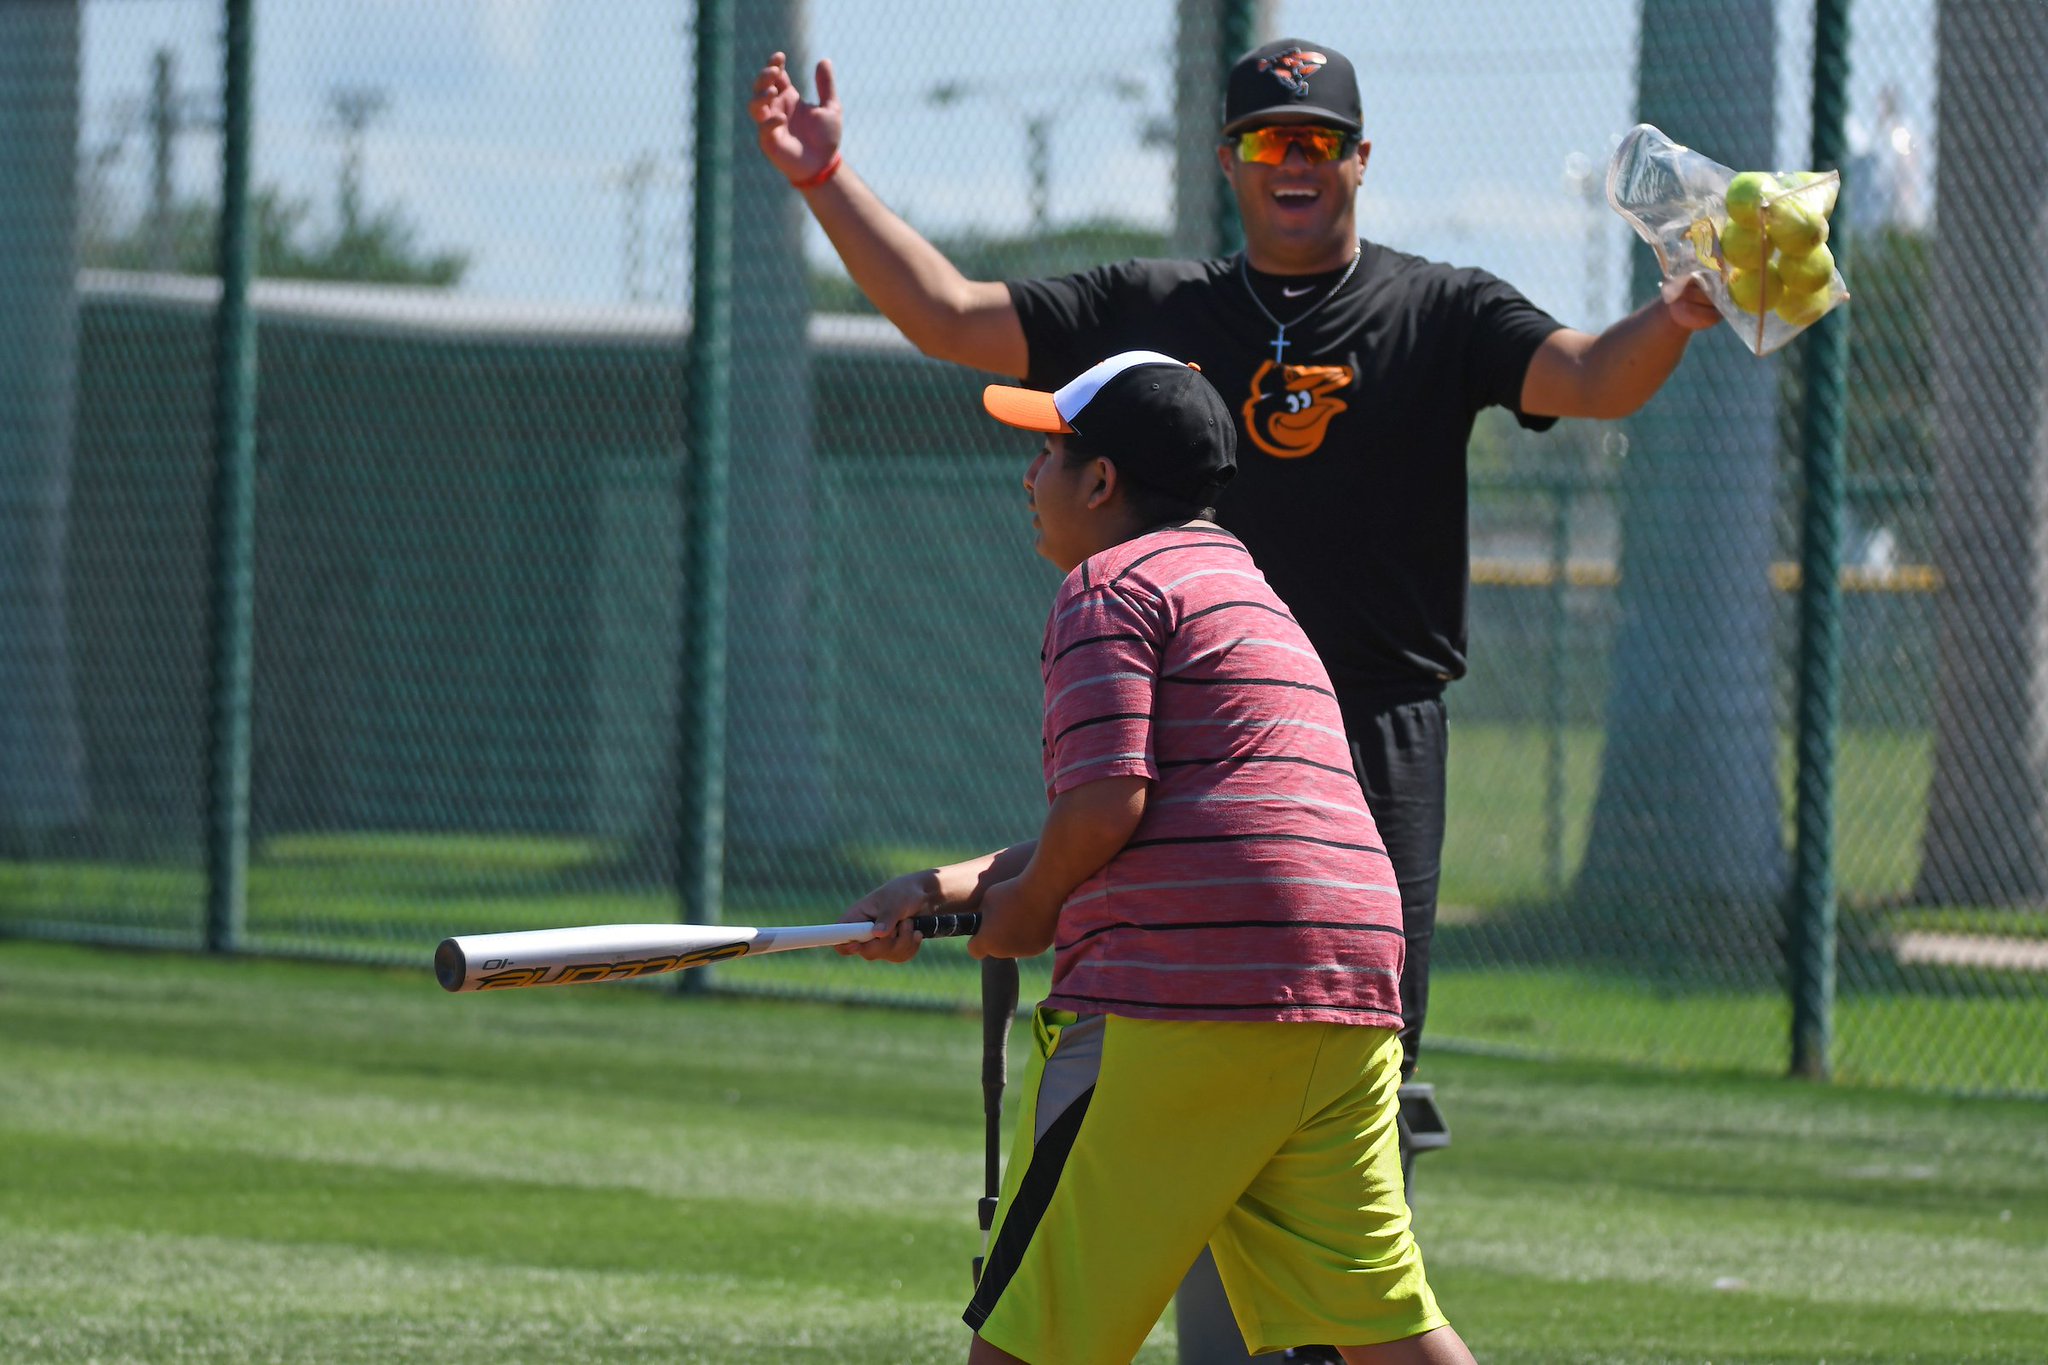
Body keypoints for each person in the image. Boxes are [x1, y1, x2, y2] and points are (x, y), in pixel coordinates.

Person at [751, 37, 1719, 1099]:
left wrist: (1674, 313)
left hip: (1374, 721)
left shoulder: (1439, 309)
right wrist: (824, 178)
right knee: (1175, 1015)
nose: (1292, 160)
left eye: (1318, 141)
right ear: (1225, 159)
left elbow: (1593, 378)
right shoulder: (1152, 307)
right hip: (1197, 716)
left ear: (1360, 159)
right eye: (1265, 140)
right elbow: (948, 314)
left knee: (1362, 1041)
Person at [841, 349, 1478, 1365]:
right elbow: (1170, 815)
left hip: (1184, 1000)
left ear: (1100, 480)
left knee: (1030, 1342)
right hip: (1345, 997)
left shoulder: (1108, 587)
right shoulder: (1249, 593)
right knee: (1385, 1330)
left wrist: (1028, 911)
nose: (1028, 476)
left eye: (1047, 453)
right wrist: (943, 888)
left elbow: (1105, 804)